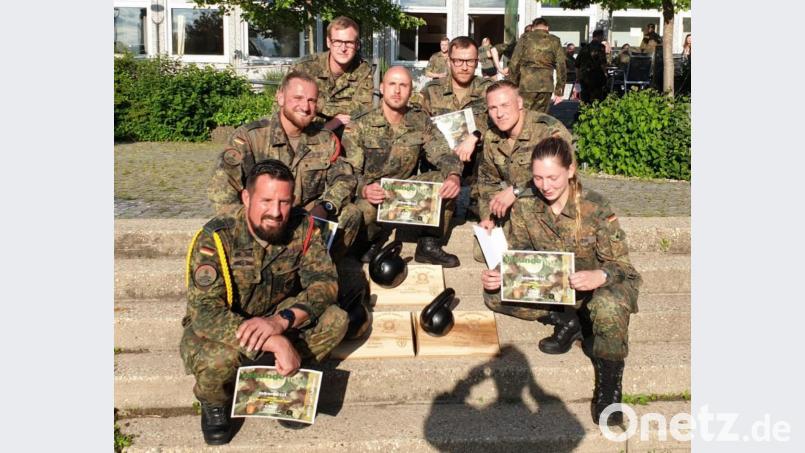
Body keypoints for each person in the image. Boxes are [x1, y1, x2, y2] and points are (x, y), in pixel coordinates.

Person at [181, 160, 349, 445]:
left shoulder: (304, 228)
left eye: (284, 202)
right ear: (246, 198)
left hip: (277, 317)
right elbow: (205, 312)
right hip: (228, 325)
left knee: (337, 319)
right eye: (266, 200)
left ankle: (284, 379)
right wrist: (274, 341)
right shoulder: (216, 238)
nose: (276, 212)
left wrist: (281, 321)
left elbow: (325, 282)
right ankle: (215, 402)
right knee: (215, 359)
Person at [480, 136, 642, 426]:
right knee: (493, 295)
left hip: (598, 287)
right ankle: (567, 321)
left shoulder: (595, 207)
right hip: (557, 288)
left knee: (608, 306)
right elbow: (518, 257)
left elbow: (624, 269)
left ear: (570, 170)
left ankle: (609, 389)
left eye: (553, 177)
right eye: (538, 178)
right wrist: (501, 274)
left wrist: (600, 275)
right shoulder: (527, 206)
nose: (545, 185)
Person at [207, 71, 362, 256]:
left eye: (312, 100)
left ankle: (321, 268)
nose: (305, 107)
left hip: (305, 220)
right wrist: (254, 221)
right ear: (280, 97)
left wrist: (326, 205)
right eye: (298, 98)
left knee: (351, 213)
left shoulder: (325, 139)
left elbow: (344, 178)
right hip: (264, 219)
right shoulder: (249, 138)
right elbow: (222, 194)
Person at [341, 66, 464, 267]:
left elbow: (442, 152)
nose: (397, 91)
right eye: (392, 84)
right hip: (373, 194)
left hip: (404, 190)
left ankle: (428, 244)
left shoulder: (419, 120)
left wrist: (453, 174)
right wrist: (364, 189)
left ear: (411, 90)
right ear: (381, 88)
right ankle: (372, 240)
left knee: (447, 182)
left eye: (403, 85)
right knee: (360, 215)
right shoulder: (360, 123)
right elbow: (347, 172)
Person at [474, 80, 573, 260]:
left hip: (551, 205)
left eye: (505, 105)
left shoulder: (548, 131)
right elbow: (487, 181)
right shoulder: (492, 137)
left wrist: (517, 191)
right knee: (482, 251)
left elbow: (565, 179)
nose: (499, 114)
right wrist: (487, 217)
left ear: (519, 103)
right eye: (493, 108)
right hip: (518, 209)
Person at [420, 36, 492, 221]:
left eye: (470, 61)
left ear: (477, 62)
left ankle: (477, 201)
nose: (464, 66)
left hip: (476, 158)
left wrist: (475, 135)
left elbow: (499, 120)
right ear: (449, 60)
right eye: (458, 60)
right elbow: (419, 123)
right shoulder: (431, 90)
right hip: (440, 158)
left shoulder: (488, 89)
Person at [291, 16, 374, 132]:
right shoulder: (304, 68)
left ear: (357, 45)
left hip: (346, 134)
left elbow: (361, 112)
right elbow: (285, 109)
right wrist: (331, 123)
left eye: (349, 42)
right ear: (328, 42)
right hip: (304, 131)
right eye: (338, 42)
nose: (343, 48)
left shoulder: (365, 71)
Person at [509, 17, 566, 113]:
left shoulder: (525, 38)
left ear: (533, 27)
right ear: (547, 28)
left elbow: (514, 62)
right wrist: (559, 90)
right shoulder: (555, 40)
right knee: (541, 117)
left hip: (527, 84)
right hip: (546, 84)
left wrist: (512, 84)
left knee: (524, 115)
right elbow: (561, 65)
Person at [575, 29, 608, 104]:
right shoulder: (601, 47)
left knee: (585, 98)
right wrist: (605, 73)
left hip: (584, 76)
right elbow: (603, 63)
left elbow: (577, 64)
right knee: (597, 98)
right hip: (596, 76)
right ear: (599, 36)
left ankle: (584, 113)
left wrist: (578, 77)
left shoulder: (584, 48)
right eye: (602, 36)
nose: (603, 38)